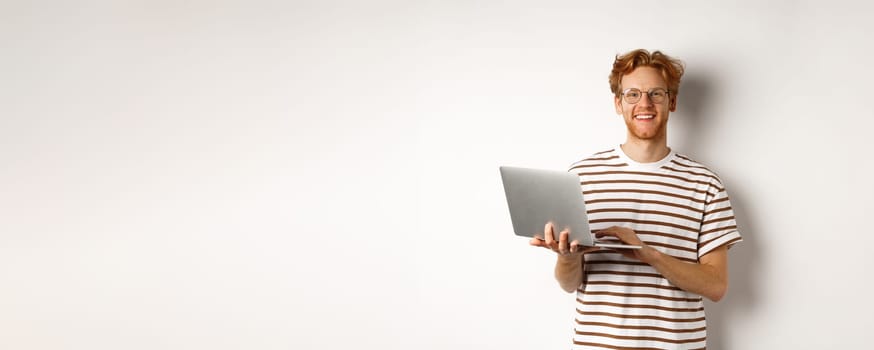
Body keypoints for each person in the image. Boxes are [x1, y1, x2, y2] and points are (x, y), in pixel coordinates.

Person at [530, 49, 742, 349]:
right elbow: (569, 284)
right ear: (618, 103)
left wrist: (647, 252)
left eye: (656, 93)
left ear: (673, 102)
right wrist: (567, 257)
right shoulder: (580, 177)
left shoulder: (705, 184)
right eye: (632, 94)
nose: (644, 103)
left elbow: (716, 285)